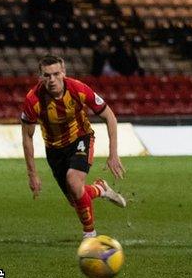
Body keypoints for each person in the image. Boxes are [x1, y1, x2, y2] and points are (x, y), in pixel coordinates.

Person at [21, 55, 127, 239]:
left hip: (81, 138)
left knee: (73, 180)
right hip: (54, 150)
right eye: (47, 75)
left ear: (63, 73)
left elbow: (110, 116)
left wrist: (113, 154)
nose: (52, 79)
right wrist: (32, 173)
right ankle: (100, 189)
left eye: (56, 74)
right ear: (40, 76)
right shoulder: (33, 100)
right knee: (76, 199)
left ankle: (90, 235)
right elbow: (27, 137)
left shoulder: (78, 89)